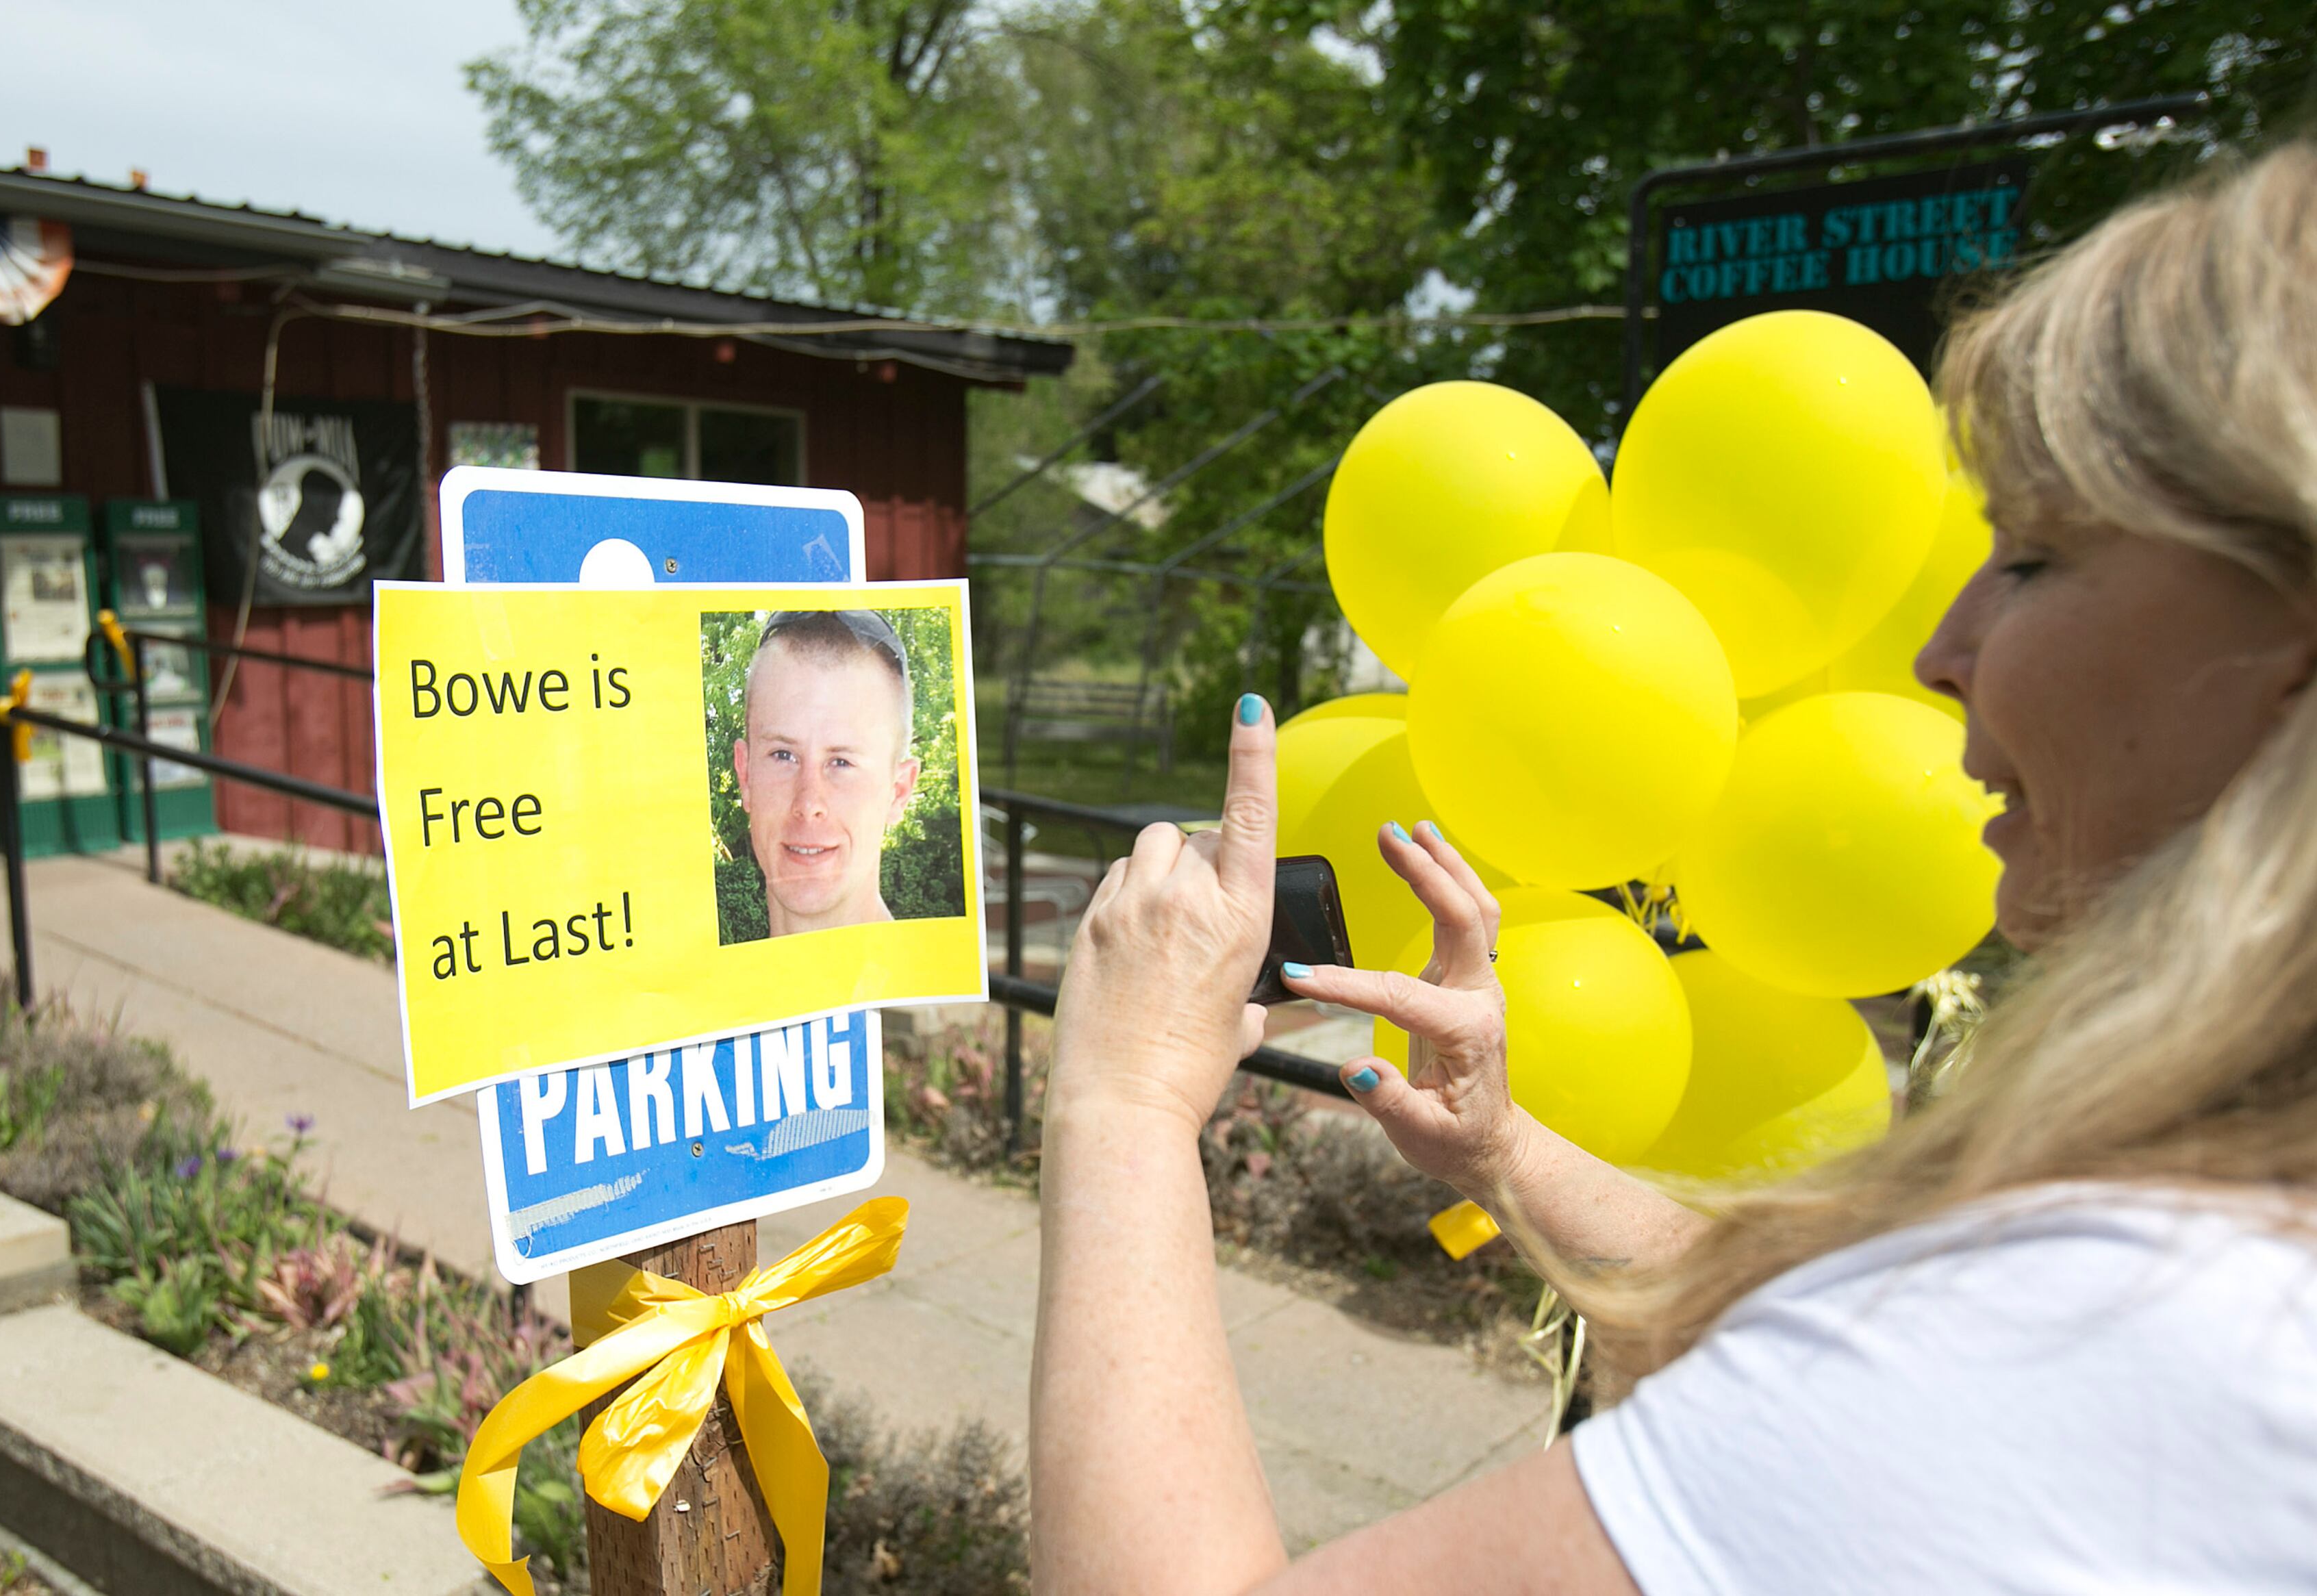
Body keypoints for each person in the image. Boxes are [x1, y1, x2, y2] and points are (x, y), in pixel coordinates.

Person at [1032, 140, 2317, 1594]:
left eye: (2030, 558)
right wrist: (1510, 1151)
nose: (1942, 655)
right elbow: (1841, 1329)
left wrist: (1122, 1100)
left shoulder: (2124, 1327)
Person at [729, 608, 921, 937]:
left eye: (841, 762)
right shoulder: (707, 985)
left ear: (898, 791)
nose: (808, 804)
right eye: (783, 755)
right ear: (745, 774)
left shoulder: (934, 988)